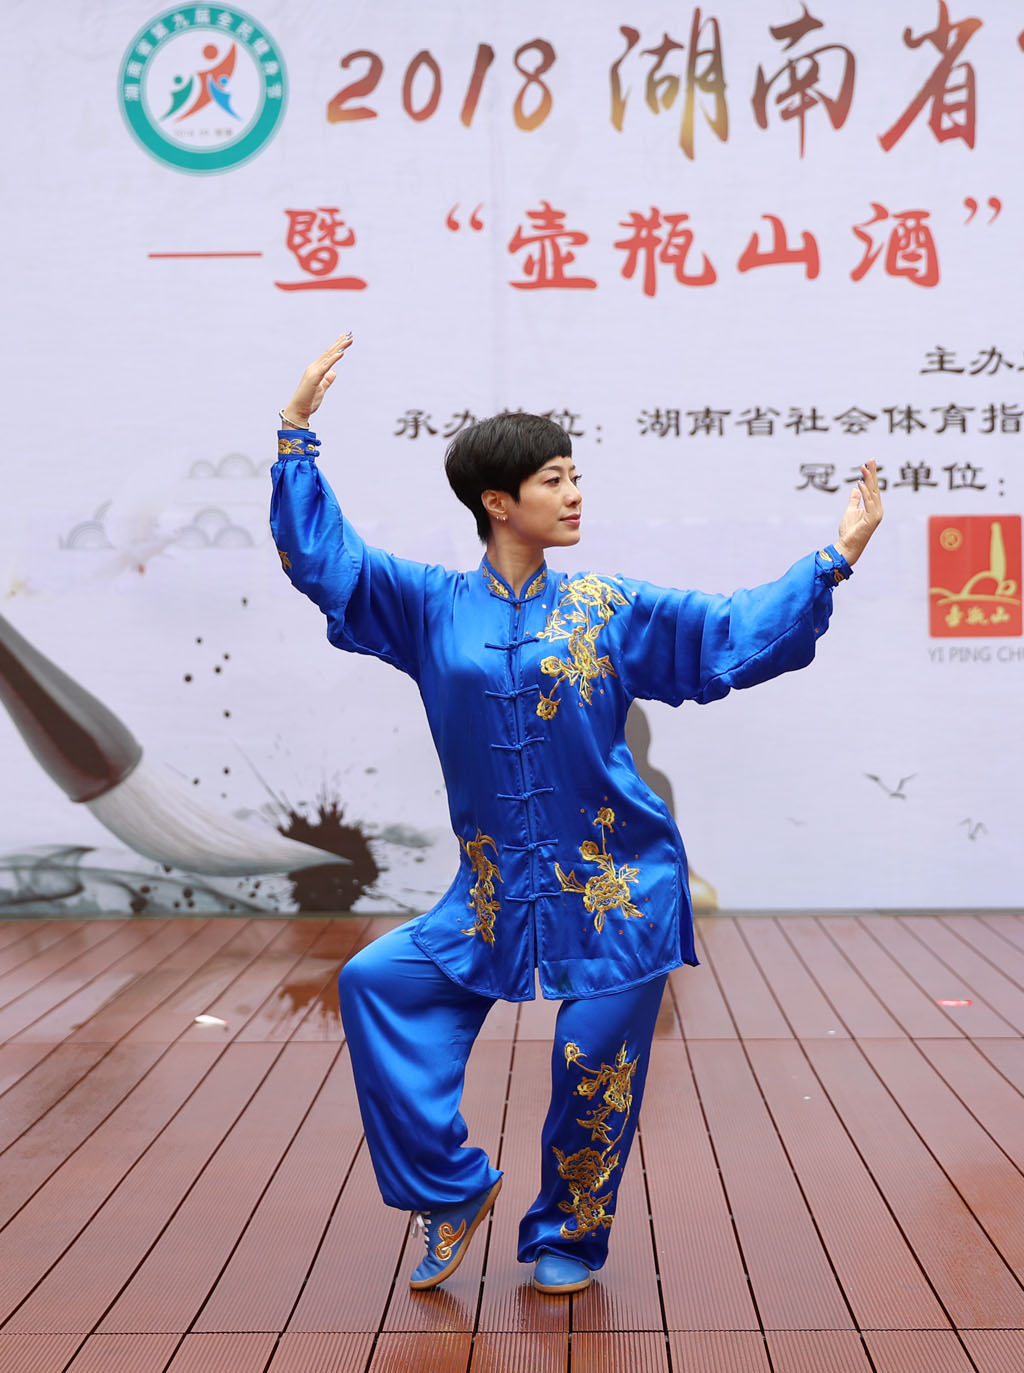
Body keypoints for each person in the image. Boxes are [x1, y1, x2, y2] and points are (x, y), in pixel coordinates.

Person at [270, 332, 883, 1296]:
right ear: (497, 502)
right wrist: (295, 432)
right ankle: (450, 1188)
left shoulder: (608, 605)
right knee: (375, 983)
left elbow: (727, 631)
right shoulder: (429, 607)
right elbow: (326, 562)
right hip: (490, 897)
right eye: (553, 479)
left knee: (592, 1066)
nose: (574, 493)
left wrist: (832, 560)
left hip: (619, 888)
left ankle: (570, 1234)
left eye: (575, 474)